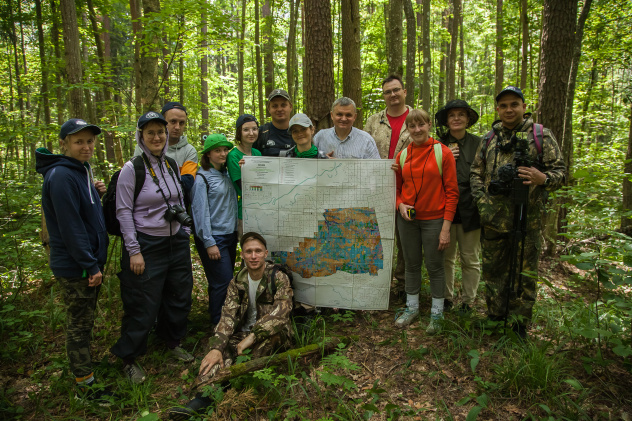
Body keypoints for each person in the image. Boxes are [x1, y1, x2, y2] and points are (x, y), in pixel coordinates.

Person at [470, 86, 565, 338]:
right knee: (493, 271)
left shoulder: (541, 135)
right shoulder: (490, 138)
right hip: (493, 220)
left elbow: (561, 173)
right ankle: (495, 317)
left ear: (523, 107)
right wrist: (482, 202)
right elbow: (475, 173)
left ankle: (519, 325)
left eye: (514, 104)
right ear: (497, 109)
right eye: (503, 105)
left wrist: (541, 177)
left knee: (525, 273)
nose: (509, 109)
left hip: (528, 218)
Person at [169, 232, 293, 419]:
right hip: (243, 333)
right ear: (242, 255)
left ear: (265, 253)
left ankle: (230, 388)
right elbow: (227, 316)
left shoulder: (278, 277)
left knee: (258, 348)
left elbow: (281, 314)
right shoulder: (237, 282)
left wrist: (252, 337)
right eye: (249, 251)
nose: (253, 256)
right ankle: (202, 397)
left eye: (258, 251)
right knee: (216, 356)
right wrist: (217, 347)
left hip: (273, 334)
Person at [36, 119, 116, 404]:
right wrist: (89, 265)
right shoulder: (60, 176)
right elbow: (70, 227)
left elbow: (82, 212)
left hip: (87, 261)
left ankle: (85, 372)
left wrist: (94, 192)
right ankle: (85, 387)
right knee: (79, 325)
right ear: (64, 144)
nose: (86, 146)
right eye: (79, 141)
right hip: (77, 266)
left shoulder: (79, 172)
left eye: (90, 141)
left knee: (84, 321)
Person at [111, 111, 195, 384]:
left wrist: (184, 232)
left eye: (161, 132)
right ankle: (129, 358)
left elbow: (180, 200)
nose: (157, 137)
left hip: (176, 242)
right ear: (141, 137)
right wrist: (134, 250)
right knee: (142, 302)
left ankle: (171, 341)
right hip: (146, 244)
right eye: (151, 133)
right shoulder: (131, 169)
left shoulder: (170, 164)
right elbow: (123, 212)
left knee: (178, 294)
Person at [394, 109, 459, 334]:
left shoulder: (443, 152)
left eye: (421, 124)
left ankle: (437, 313)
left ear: (429, 125)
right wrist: (400, 204)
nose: (417, 130)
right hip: (408, 220)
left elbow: (452, 192)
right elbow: (397, 189)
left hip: (435, 220)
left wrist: (446, 228)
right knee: (411, 265)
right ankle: (412, 309)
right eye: (412, 126)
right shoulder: (403, 155)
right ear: (408, 130)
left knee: (435, 267)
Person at [364, 74, 413, 288]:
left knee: (406, 240)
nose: (392, 94)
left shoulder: (416, 118)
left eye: (396, 90)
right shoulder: (374, 121)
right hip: (378, 189)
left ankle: (404, 285)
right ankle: (378, 286)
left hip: (409, 189)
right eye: (387, 91)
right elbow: (363, 149)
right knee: (377, 237)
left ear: (404, 92)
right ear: (384, 96)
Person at [435, 99, 482, 313]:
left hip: (471, 208)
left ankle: (468, 301)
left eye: (461, 114)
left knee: (470, 258)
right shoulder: (437, 145)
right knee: (446, 258)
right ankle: (446, 298)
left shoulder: (479, 144)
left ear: (468, 119)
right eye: (452, 115)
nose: (456, 119)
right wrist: (444, 158)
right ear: (446, 120)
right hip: (443, 209)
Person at [191, 134, 239, 326]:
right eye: (217, 150)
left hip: (230, 235)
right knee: (224, 281)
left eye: (225, 150)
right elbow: (199, 212)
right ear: (208, 154)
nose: (223, 153)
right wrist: (209, 242)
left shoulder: (227, 174)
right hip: (214, 238)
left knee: (223, 282)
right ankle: (219, 325)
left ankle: (223, 319)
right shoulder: (202, 177)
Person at [134, 101, 198, 192]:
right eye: (173, 121)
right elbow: (138, 179)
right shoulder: (143, 147)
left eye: (182, 123)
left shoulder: (189, 151)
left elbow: (187, 183)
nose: (177, 127)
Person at [227, 114, 261, 238]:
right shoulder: (233, 156)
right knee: (249, 248)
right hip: (245, 210)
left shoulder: (257, 153)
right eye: (246, 129)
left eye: (254, 129)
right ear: (239, 133)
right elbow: (243, 187)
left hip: (262, 209)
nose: (251, 133)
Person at [313, 97, 380, 159]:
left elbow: (377, 168)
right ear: (332, 115)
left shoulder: (366, 140)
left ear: (354, 117)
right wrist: (322, 161)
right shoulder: (320, 137)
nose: (344, 119)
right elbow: (308, 161)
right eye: (339, 114)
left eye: (348, 115)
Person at [253, 89, 295, 156]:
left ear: (290, 106)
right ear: (269, 109)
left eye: (283, 105)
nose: (279, 109)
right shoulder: (260, 133)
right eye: (274, 106)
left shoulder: (299, 133)